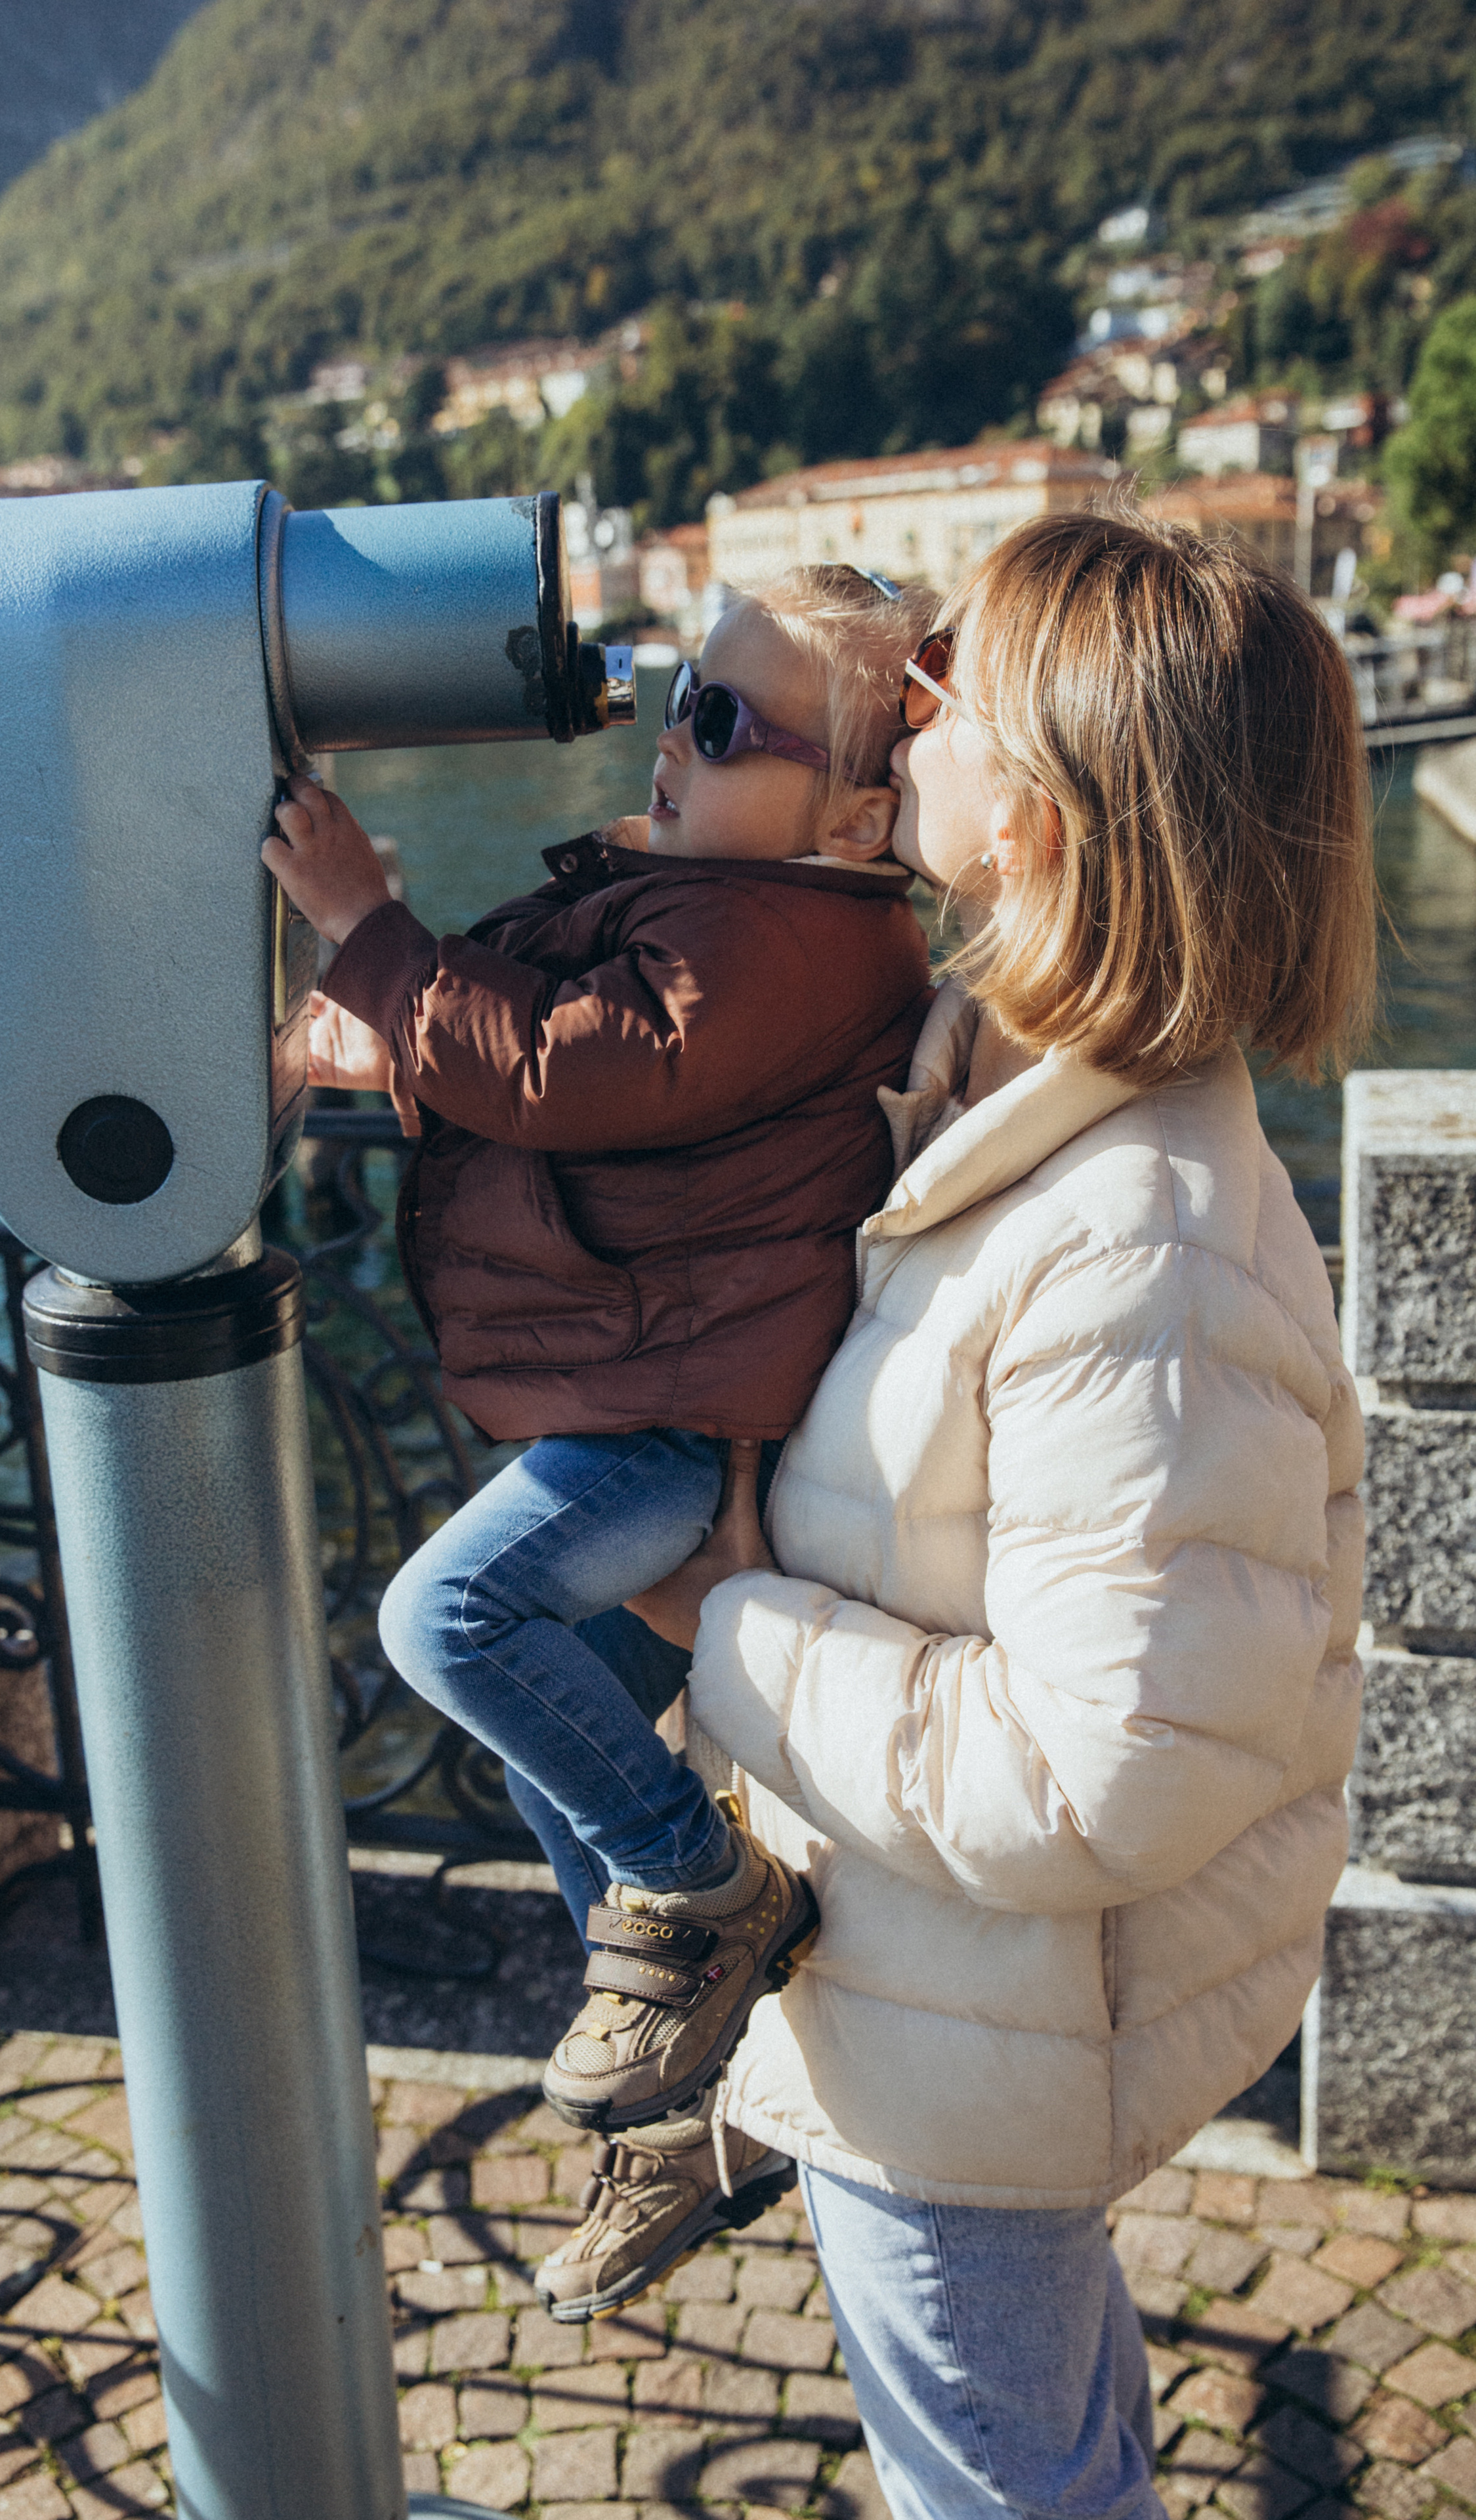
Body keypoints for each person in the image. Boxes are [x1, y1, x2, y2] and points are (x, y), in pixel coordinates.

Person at [534, 511, 1375, 2518]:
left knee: (999, 2481)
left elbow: (1107, 1773)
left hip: (972, 2036)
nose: (901, 707)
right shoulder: (1017, 1107)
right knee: (1041, 2425)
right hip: (952, 1988)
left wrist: (739, 1621)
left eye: (951, 693)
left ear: (1051, 817)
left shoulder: (1137, 1241)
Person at [261, 567, 933, 2143]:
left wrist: (368, 929)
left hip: (675, 1417)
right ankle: (680, 2081)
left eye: (721, 721)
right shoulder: (737, 906)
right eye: (673, 698)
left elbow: (578, 1073)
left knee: (449, 1615)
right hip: (668, 1378)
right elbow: (594, 1074)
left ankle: (703, 1898)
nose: (671, 740)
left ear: (850, 819)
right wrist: (407, 1033)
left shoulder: (796, 938)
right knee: (555, 1760)